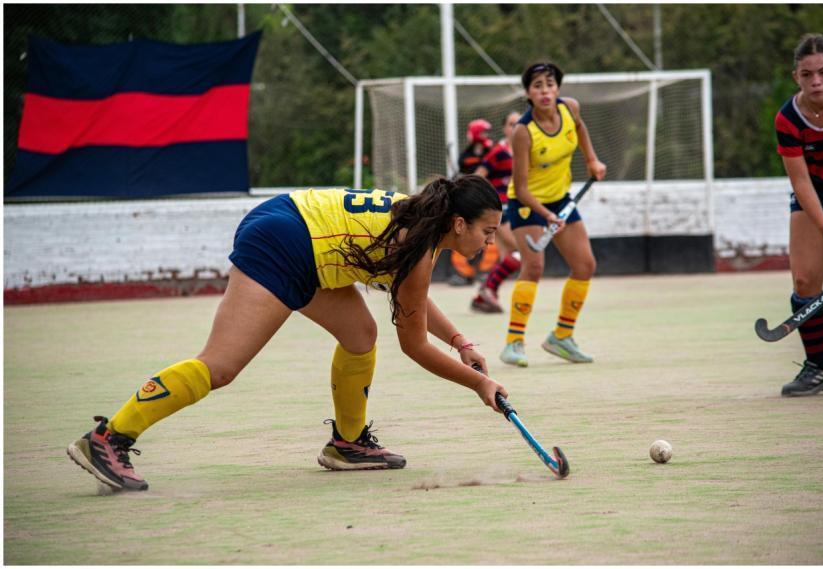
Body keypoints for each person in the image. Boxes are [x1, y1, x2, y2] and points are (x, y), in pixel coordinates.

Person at [67, 176, 508, 491]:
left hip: (293, 225)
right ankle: (109, 438)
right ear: (458, 224)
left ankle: (348, 445)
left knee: (360, 335)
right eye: (487, 231)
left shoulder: (420, 224)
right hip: (284, 242)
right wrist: (479, 383)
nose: (490, 241)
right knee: (221, 365)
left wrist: (461, 343)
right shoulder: (419, 249)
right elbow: (413, 344)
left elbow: (412, 299)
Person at [499, 62, 607, 368]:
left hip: (561, 199)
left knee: (585, 265)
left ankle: (561, 336)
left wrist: (592, 160)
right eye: (537, 86)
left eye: (549, 84)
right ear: (528, 93)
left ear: (557, 88)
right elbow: (520, 188)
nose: (544, 91)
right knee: (533, 267)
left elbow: (580, 128)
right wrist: (547, 215)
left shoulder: (570, 109)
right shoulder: (523, 131)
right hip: (527, 204)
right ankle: (514, 343)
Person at [774, 33, 823, 397]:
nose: (816, 81)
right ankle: (819, 368)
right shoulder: (788, 119)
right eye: (807, 75)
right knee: (804, 282)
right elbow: (800, 181)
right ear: (796, 77)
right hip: (817, 194)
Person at [471, 111, 522, 313]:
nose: (516, 127)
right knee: (520, 251)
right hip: (500, 208)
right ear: (504, 128)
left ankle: (483, 295)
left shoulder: (523, 150)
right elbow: (478, 176)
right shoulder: (499, 151)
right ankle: (488, 290)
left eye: (519, 123)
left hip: (514, 206)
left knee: (507, 256)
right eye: (511, 124)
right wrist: (484, 202)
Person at [449, 119, 495, 286]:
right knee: (463, 235)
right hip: (470, 203)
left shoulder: (491, 151)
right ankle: (463, 273)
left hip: (489, 202)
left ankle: (486, 272)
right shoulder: (466, 156)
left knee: (490, 237)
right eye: (483, 132)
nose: (487, 136)